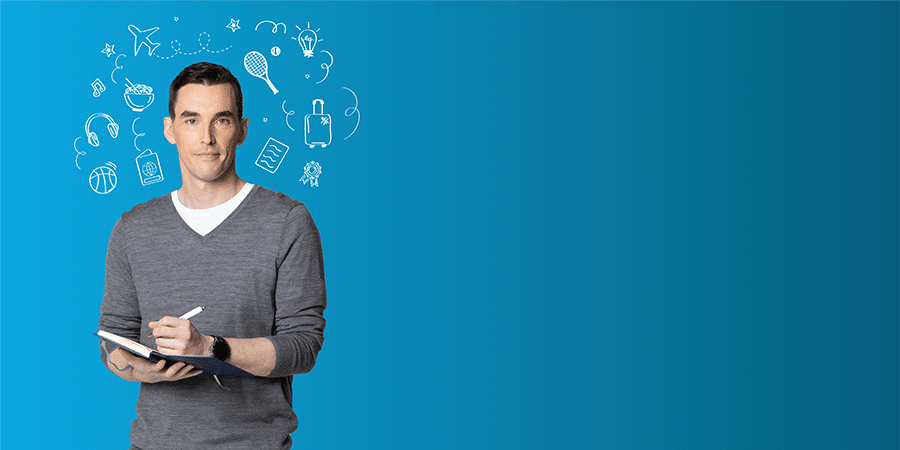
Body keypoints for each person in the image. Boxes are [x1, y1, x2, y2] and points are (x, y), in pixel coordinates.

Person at [98, 62, 326, 450]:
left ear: (242, 129)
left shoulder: (288, 221)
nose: (206, 138)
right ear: (169, 129)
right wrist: (140, 368)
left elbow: (302, 347)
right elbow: (111, 337)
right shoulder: (131, 227)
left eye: (221, 120)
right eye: (191, 120)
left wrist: (209, 347)